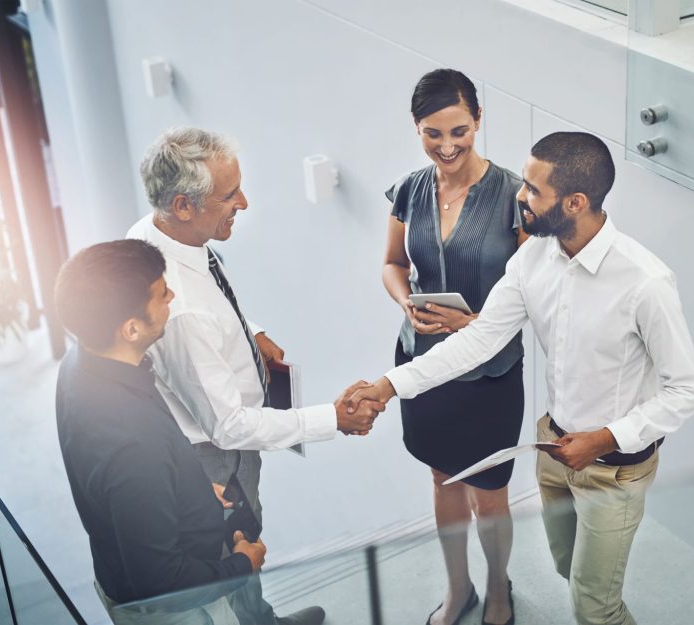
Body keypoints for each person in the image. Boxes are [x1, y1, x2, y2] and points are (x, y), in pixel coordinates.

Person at [349, 132, 694, 625]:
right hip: (553, 449)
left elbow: (686, 390)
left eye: (534, 190)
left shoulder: (645, 282)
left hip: (613, 465)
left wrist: (603, 439)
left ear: (575, 202)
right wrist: (389, 386)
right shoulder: (532, 259)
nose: (520, 195)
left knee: (594, 606)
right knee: (568, 569)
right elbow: (478, 340)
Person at [128, 127, 382, 625]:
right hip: (216, 459)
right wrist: (332, 419)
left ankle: (260, 620)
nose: (242, 202)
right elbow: (230, 427)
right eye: (229, 195)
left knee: (242, 555)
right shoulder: (183, 315)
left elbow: (211, 300)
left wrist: (252, 332)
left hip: (214, 435)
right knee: (237, 549)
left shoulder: (158, 234)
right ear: (183, 205)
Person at [54, 239, 266, 625]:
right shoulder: (133, 444)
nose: (172, 295)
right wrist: (241, 566)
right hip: (180, 611)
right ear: (131, 328)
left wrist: (194, 492)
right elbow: (161, 581)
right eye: (161, 293)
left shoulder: (78, 363)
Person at [382, 68, 528, 625]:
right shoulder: (409, 189)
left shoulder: (516, 196)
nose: (446, 147)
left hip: (488, 372)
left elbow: (531, 297)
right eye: (432, 133)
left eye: (459, 132)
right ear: (417, 128)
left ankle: (497, 590)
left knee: (488, 492)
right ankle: (457, 587)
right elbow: (394, 264)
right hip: (423, 361)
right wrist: (406, 304)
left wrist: (472, 325)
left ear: (479, 121)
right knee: (442, 478)